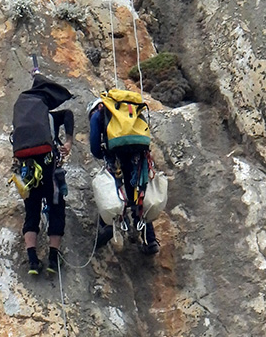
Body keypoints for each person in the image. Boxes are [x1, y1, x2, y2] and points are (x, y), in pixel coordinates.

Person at [11, 74, 75, 276]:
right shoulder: (49, 116)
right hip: (49, 167)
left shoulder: (23, 114)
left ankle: (32, 261)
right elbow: (68, 115)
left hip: (28, 169)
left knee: (31, 210)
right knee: (56, 207)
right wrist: (68, 142)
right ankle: (53, 259)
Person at [88, 91, 159, 254]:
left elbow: (94, 145)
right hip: (137, 155)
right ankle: (150, 240)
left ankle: (107, 227)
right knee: (137, 192)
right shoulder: (129, 110)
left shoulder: (98, 115)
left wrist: (103, 154)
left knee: (114, 190)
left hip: (115, 156)